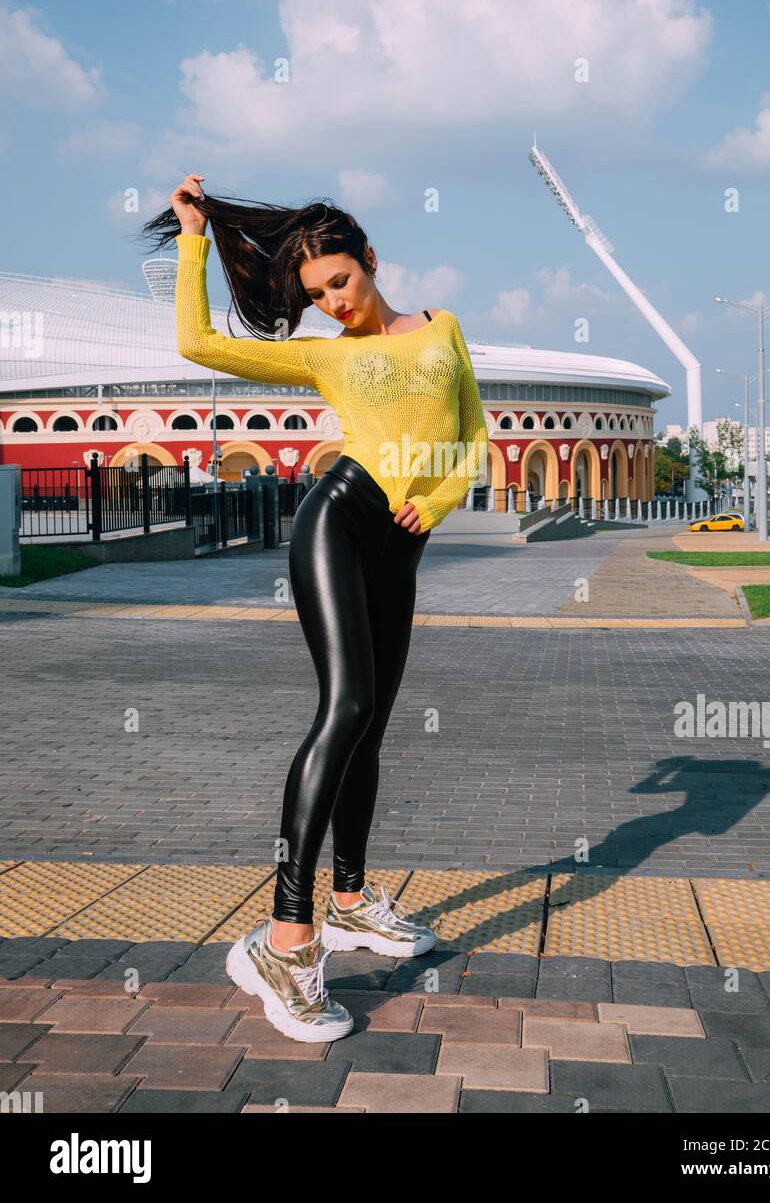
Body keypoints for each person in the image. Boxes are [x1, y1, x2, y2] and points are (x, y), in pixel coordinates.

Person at [142, 175, 489, 1042]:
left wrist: (439, 504)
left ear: (370, 259)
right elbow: (196, 342)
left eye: (340, 282)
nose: (333, 304)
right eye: (317, 296)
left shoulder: (443, 330)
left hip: (401, 542)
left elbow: (471, 439)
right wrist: (194, 236)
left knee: (374, 724)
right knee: (349, 706)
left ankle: (350, 902)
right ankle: (286, 942)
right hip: (338, 519)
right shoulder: (322, 354)